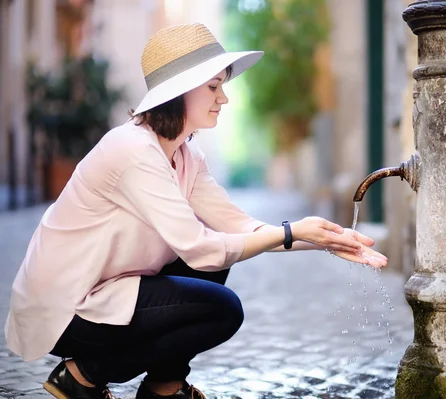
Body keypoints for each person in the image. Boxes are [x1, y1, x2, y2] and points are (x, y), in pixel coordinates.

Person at [4, 23, 387, 399]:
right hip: (66, 307)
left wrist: (324, 240)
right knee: (222, 309)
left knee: (220, 261)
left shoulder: (186, 155)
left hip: (110, 290)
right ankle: (83, 375)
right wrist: (292, 231)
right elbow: (199, 248)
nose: (224, 98)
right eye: (213, 87)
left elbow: (242, 228)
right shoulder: (132, 150)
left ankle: (163, 389)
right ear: (181, 92)